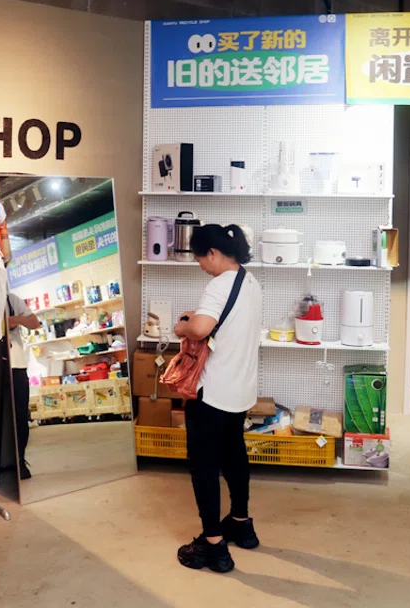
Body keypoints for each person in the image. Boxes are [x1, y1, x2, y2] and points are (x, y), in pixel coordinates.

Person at [173, 224, 262, 574]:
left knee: (204, 468)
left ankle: (213, 545)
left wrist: (182, 326)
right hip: (240, 390)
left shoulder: (218, 284)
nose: (201, 267)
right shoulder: (251, 282)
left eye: (200, 259)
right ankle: (241, 523)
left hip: (212, 392)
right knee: (234, 456)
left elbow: (199, 329)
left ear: (212, 253)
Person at [6, 292, 42, 480]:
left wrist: (14, 319)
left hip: (17, 365)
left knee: (20, 416)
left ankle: (20, 459)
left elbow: (35, 322)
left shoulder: (11, 299)